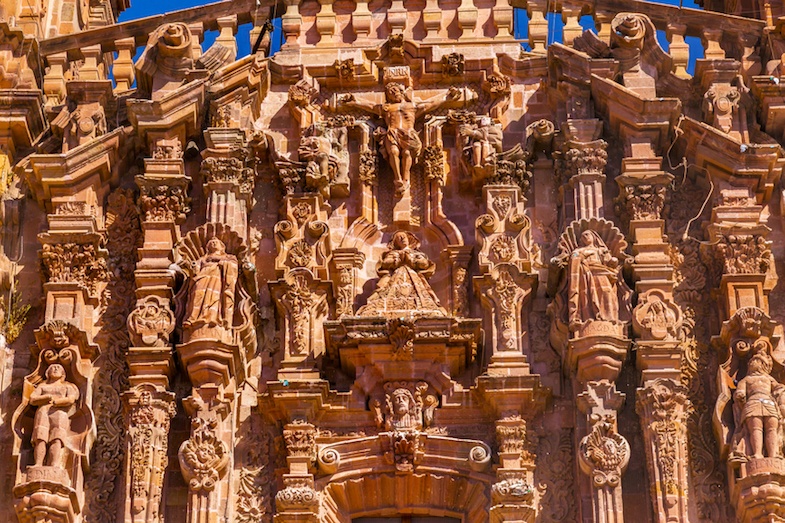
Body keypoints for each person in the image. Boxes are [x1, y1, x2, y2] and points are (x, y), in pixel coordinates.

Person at [340, 84, 461, 194]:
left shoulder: (412, 106)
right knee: (393, 152)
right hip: (392, 133)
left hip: (408, 134)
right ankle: (397, 178)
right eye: (389, 92)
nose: (393, 92)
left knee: (407, 152)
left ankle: (405, 178)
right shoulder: (386, 108)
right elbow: (370, 106)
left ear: (402, 92)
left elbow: (431, 104)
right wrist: (355, 102)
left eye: (395, 90)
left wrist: (446, 97)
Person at [30, 364, 79, 468]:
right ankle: (38, 463)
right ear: (48, 373)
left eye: (59, 368)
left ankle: (54, 464)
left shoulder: (67, 386)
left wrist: (57, 402)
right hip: (43, 412)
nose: (56, 369)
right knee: (40, 437)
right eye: (53, 367)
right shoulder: (42, 386)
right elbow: (32, 399)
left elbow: (71, 399)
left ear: (63, 374)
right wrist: (46, 397)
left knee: (57, 437)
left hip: (59, 413)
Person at [184, 237, 239, 331]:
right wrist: (192, 266)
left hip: (216, 277)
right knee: (198, 294)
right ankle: (193, 318)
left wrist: (223, 264)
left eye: (215, 242)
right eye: (211, 242)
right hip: (202, 277)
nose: (213, 243)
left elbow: (233, 266)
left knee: (214, 297)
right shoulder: (203, 259)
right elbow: (195, 270)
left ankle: (212, 317)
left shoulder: (228, 257)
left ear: (222, 247)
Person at [569, 230, 620, 326]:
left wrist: (614, 261)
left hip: (601, 272)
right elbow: (574, 256)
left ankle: (609, 317)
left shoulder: (600, 250)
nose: (585, 237)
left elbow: (609, 262)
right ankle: (589, 317)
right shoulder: (579, 251)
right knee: (587, 296)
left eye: (587, 234)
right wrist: (582, 254)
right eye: (583, 236)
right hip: (586, 274)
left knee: (606, 291)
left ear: (594, 237)